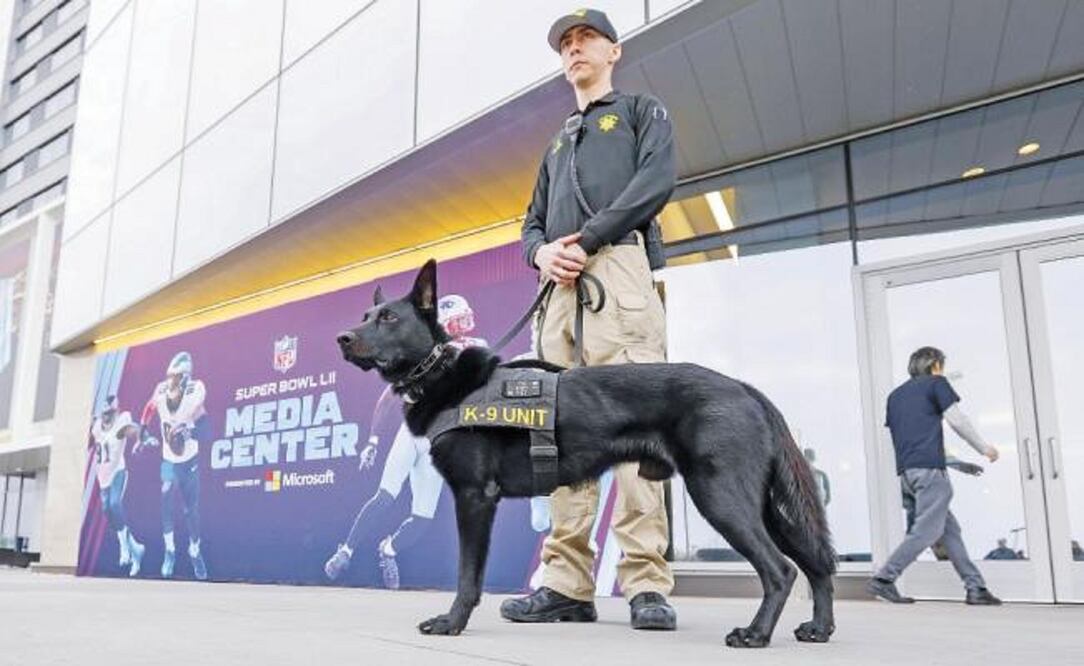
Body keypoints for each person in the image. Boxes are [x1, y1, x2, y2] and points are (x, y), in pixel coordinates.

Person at [501, 9, 678, 630]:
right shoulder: (556, 141)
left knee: (636, 431)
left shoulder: (639, 113)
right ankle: (567, 584)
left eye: (586, 40)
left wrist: (589, 238)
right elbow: (528, 222)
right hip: (560, 291)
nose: (574, 50)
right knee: (559, 438)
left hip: (619, 275)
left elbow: (656, 181)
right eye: (566, 44)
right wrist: (542, 253)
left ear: (614, 52)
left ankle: (646, 583)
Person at [325, 295, 487, 588]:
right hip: (413, 432)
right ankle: (345, 550)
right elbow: (389, 396)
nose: (465, 325)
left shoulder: (475, 348)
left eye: (466, 318)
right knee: (386, 494)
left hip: (438, 443)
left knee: (422, 517)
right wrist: (373, 440)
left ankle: (389, 549)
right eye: (458, 320)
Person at [868, 346, 1002, 605]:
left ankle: (976, 588)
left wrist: (958, 464)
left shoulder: (895, 396)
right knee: (926, 532)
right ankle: (884, 578)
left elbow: (916, 437)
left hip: (908, 475)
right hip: (930, 474)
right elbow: (957, 421)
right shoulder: (937, 383)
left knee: (949, 531)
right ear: (936, 365)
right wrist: (984, 448)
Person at [140, 351, 209, 580]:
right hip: (169, 459)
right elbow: (150, 408)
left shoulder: (194, 395)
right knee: (166, 493)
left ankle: (195, 550)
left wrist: (190, 432)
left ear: (186, 378)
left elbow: (207, 431)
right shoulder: (161, 391)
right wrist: (142, 431)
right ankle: (170, 550)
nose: (172, 382)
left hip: (189, 460)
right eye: (170, 376)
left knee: (191, 511)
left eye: (177, 377)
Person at [89, 395, 145, 576]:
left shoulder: (121, 422)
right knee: (107, 510)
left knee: (114, 504)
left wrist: (142, 435)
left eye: (110, 413)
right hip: (103, 478)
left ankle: (125, 548)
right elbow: (91, 442)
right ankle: (135, 548)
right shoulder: (97, 427)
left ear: (116, 412)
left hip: (118, 472)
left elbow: (131, 430)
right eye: (105, 413)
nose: (107, 416)